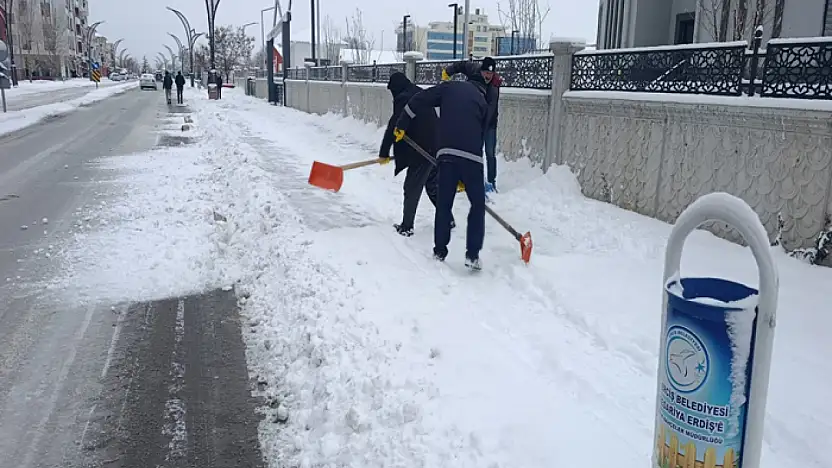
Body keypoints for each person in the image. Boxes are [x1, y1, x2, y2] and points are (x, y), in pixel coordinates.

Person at [393, 74, 489, 270]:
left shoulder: (448, 88)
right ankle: (472, 255)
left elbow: (418, 100)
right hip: (473, 158)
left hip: (446, 154)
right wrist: (467, 172)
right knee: (478, 206)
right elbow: (483, 135)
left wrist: (402, 124)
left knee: (444, 203)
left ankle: (439, 251)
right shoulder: (483, 101)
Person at [379, 72, 453, 237]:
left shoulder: (403, 98)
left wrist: (384, 152)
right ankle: (448, 218)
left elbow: (394, 126)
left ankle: (407, 227)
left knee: (411, 187)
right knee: (432, 186)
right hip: (435, 146)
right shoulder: (418, 92)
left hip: (422, 150)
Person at [443, 57, 502, 193]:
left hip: (489, 124)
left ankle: (491, 182)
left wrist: (480, 130)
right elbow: (461, 65)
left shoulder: (493, 88)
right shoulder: (473, 69)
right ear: (481, 70)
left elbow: (490, 111)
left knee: (489, 153)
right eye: (486, 72)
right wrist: (448, 71)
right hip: (473, 120)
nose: (488, 76)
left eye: (491, 74)